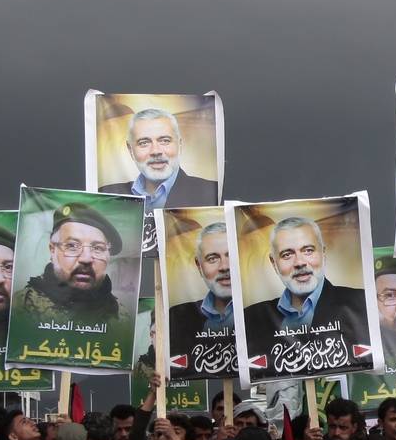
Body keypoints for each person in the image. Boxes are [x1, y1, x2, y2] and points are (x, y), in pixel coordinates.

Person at [239, 216, 373, 363]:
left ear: (323, 253)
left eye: (308, 250)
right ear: (273, 263)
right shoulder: (252, 320)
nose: (299, 262)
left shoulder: (362, 304)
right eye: (287, 255)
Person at [19, 202, 124, 326]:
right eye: (72, 246)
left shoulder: (122, 318)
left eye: (98, 248)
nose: (86, 259)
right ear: (53, 250)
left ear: (108, 256)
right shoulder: (20, 307)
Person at [97, 106, 220, 207]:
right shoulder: (106, 196)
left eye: (165, 140)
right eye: (144, 143)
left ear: (180, 145)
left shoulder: (212, 192)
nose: (156, 151)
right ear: (130, 150)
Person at [166, 220, 234, 356]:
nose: (224, 267)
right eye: (213, 258)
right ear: (199, 266)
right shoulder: (177, 319)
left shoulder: (264, 315)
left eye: (231, 255)